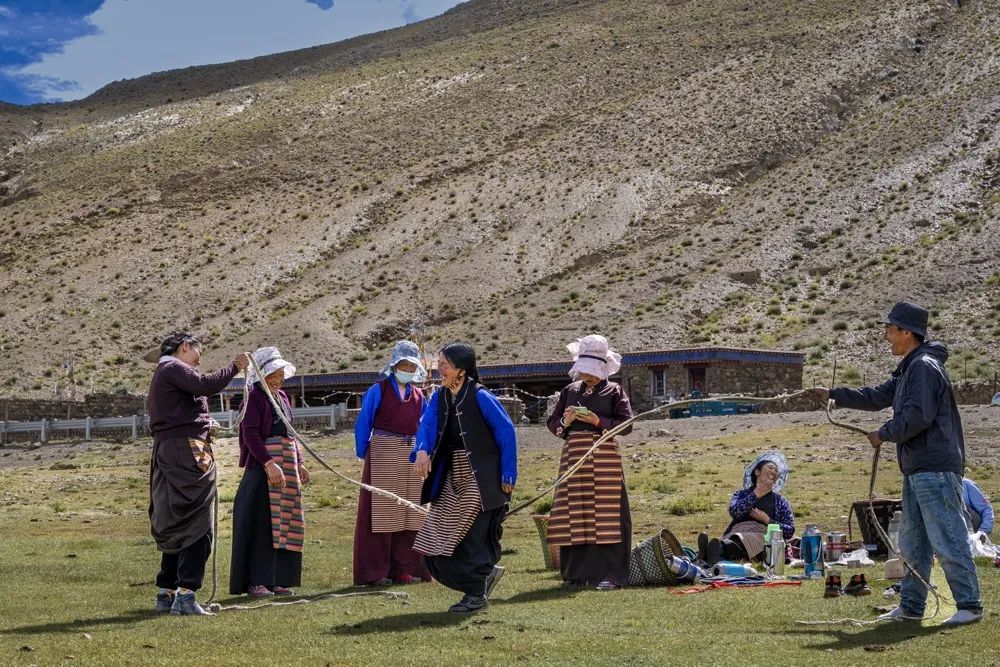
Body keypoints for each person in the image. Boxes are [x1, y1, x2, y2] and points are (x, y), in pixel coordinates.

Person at [812, 301, 983, 626]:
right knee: (913, 543)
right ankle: (911, 608)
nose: (886, 335)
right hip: (919, 468)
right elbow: (877, 396)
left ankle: (970, 606)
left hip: (934, 468)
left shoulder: (923, 368)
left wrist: (883, 433)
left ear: (907, 332)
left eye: (891, 329)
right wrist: (834, 394)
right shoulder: (910, 368)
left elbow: (917, 417)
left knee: (948, 536)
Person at [147, 331, 250, 616]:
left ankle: (166, 592)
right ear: (184, 347)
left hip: (169, 450)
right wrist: (235, 366)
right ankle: (186, 594)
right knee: (197, 520)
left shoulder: (163, 373)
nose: (197, 363)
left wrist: (202, 424)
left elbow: (175, 415)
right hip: (187, 452)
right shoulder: (174, 368)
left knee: (175, 517)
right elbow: (206, 385)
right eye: (197, 355)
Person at [411, 343, 517, 613]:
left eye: (444, 364)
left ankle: (475, 594)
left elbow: (506, 433)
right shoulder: (440, 397)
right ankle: (482, 580)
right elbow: (427, 425)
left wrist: (508, 473)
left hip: (482, 480)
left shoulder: (480, 396)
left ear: (461, 369)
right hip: (452, 476)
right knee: (434, 538)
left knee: (471, 539)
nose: (439, 369)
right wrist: (422, 450)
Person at [546, 334, 634, 590]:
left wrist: (598, 422)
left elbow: (626, 425)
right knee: (575, 512)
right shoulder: (570, 392)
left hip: (603, 456)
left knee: (607, 514)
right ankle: (577, 574)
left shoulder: (614, 390)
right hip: (574, 457)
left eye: (592, 372)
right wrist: (567, 422)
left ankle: (610, 574)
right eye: (584, 371)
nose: (587, 377)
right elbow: (553, 424)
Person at [230, 347, 310, 597]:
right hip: (264, 469)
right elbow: (250, 434)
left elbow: (290, 434)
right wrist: (268, 463)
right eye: (273, 374)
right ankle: (257, 581)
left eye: (280, 373)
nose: (278, 378)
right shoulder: (255, 398)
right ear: (262, 375)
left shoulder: (283, 398)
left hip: (286, 467)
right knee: (263, 524)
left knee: (286, 522)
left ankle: (278, 579)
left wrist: (299, 462)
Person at [352, 340, 431, 586]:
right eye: (403, 364)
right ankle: (375, 572)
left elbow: (426, 427)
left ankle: (404, 569)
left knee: (410, 512)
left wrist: (425, 451)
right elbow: (363, 423)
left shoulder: (419, 396)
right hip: (383, 452)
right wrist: (367, 453)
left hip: (410, 456)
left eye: (411, 365)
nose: (407, 369)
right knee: (382, 513)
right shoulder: (378, 390)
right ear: (394, 364)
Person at [697, 451, 794, 565]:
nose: (773, 471)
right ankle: (712, 553)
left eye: (776, 471)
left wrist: (767, 520)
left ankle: (710, 553)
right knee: (735, 539)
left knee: (739, 541)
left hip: (763, 536)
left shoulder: (781, 501)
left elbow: (789, 531)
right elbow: (735, 512)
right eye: (770, 467)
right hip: (738, 532)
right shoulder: (741, 494)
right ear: (757, 471)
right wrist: (755, 494)